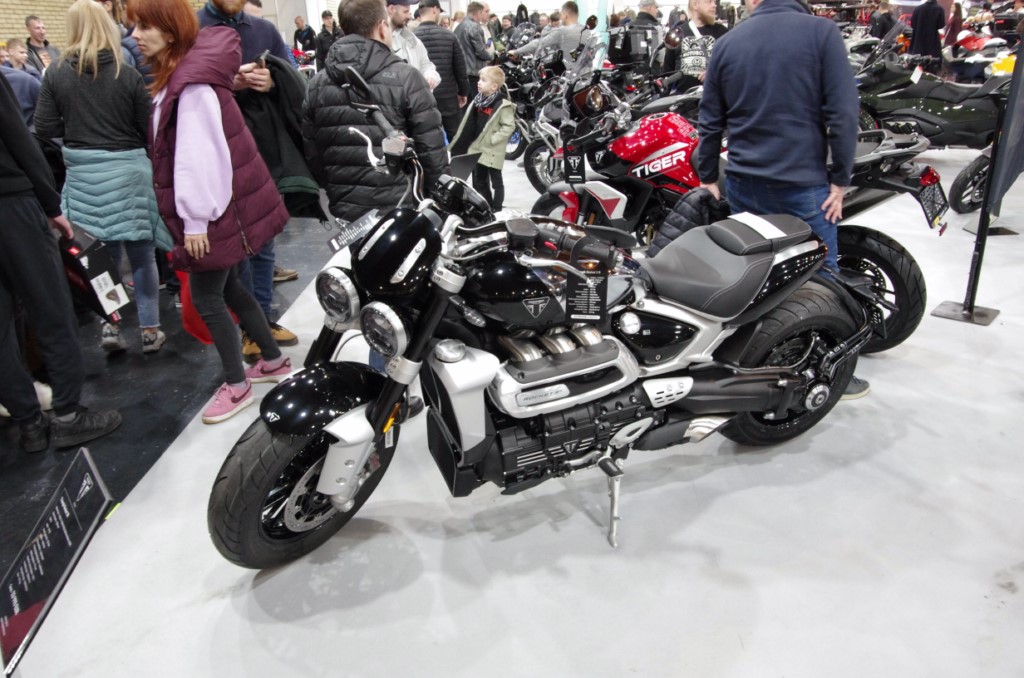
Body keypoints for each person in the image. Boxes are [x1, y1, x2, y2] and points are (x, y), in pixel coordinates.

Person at [128, 0, 293, 423]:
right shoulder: (186, 76)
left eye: (144, 26)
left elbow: (197, 158)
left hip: (211, 211)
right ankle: (272, 360)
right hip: (221, 207)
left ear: (169, 31)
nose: (135, 35)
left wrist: (196, 220)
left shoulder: (192, 84)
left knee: (207, 297)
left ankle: (237, 386)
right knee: (232, 286)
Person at [695, 0, 868, 399]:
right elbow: (844, 113)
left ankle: (756, 363)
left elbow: (710, 118)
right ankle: (831, 372)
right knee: (822, 281)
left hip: (744, 182)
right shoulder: (821, 33)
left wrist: (707, 176)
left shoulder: (728, 43)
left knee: (759, 277)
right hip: (804, 185)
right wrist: (840, 179)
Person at [35, 0, 170, 355]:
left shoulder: (56, 74)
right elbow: (148, 128)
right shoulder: (128, 74)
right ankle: (150, 330)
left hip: (84, 177)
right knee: (142, 257)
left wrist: (76, 130)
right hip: (130, 174)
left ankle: (110, 325)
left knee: (98, 260)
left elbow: (44, 127)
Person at [1, 72, 123, 452]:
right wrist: (51, 205)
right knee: (51, 308)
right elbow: (19, 138)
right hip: (11, 206)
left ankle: (29, 423)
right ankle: (69, 416)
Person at [198, 0, 301, 361]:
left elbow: (292, 79)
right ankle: (248, 327)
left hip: (261, 153)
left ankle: (262, 323)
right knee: (233, 252)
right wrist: (226, 82)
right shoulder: (194, 30)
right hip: (216, 156)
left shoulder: (264, 30)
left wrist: (272, 82)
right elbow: (183, 91)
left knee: (263, 242)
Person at [303, 0, 447, 222]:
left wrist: (336, 190)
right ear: (382, 27)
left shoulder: (316, 84)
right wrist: (438, 202)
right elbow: (432, 151)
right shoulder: (408, 78)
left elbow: (313, 153)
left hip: (346, 211)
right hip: (401, 210)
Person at [450, 65, 515, 212]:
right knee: (479, 180)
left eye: (483, 80)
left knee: (496, 181)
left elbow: (509, 126)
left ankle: (497, 209)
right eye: (479, 79)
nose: (479, 82)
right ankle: (486, 207)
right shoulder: (478, 101)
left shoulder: (502, 105)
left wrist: (492, 139)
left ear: (494, 87)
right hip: (478, 148)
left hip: (493, 150)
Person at [416, 0, 470, 141]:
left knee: (426, 138)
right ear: (435, 9)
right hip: (448, 97)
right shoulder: (449, 36)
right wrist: (463, 92)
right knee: (455, 137)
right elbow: (460, 68)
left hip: (421, 99)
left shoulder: (411, 38)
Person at [509, 2, 591, 74]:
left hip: (567, 74)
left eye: (561, 14)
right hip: (584, 73)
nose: (561, 18)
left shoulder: (562, 31)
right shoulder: (586, 31)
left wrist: (516, 51)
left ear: (565, 14)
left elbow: (538, 43)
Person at [664, 0, 728, 90]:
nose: (714, 5)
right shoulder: (676, 33)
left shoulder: (723, 33)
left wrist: (714, 73)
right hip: (682, 97)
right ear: (695, 4)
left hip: (712, 97)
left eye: (714, 2)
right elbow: (667, 72)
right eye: (709, 1)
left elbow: (732, 68)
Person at [388, 0, 441, 88]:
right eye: (405, 12)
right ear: (391, 9)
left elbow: (426, 64)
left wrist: (430, 75)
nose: (409, 16)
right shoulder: (377, 41)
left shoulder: (411, 38)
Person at [455, 2, 495, 96]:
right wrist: (491, 57)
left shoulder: (459, 27)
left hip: (461, 71)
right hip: (474, 72)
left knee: (466, 100)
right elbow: (480, 51)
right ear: (478, 13)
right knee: (476, 101)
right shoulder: (475, 27)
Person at [909, 0, 945, 65]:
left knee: (916, 63)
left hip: (918, 42)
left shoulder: (917, 9)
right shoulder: (939, 9)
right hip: (932, 43)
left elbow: (912, 24)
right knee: (932, 64)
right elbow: (941, 25)